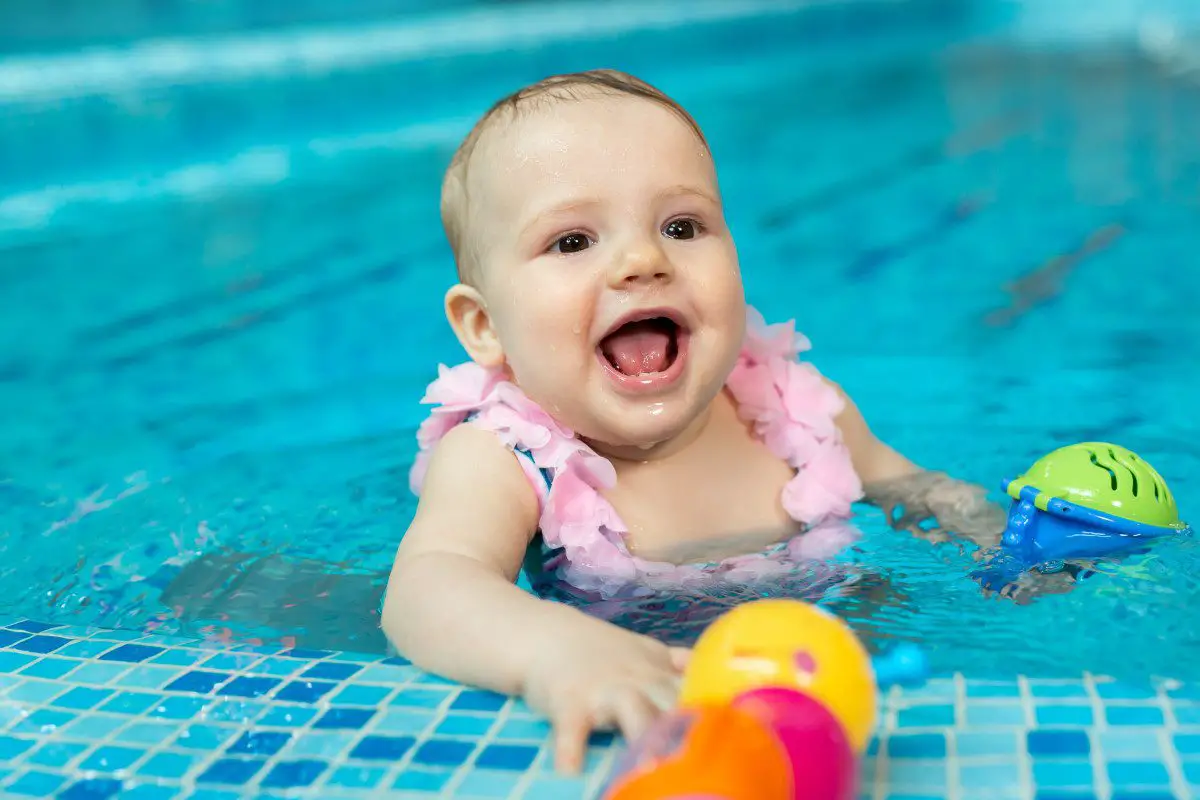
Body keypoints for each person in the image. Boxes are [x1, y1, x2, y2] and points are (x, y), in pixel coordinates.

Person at [381, 69, 1012, 773]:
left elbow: (916, 487)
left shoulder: (802, 415)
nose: (643, 260)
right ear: (485, 325)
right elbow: (428, 588)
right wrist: (556, 651)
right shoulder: (502, 459)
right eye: (571, 241)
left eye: (681, 226)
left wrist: (1002, 543)